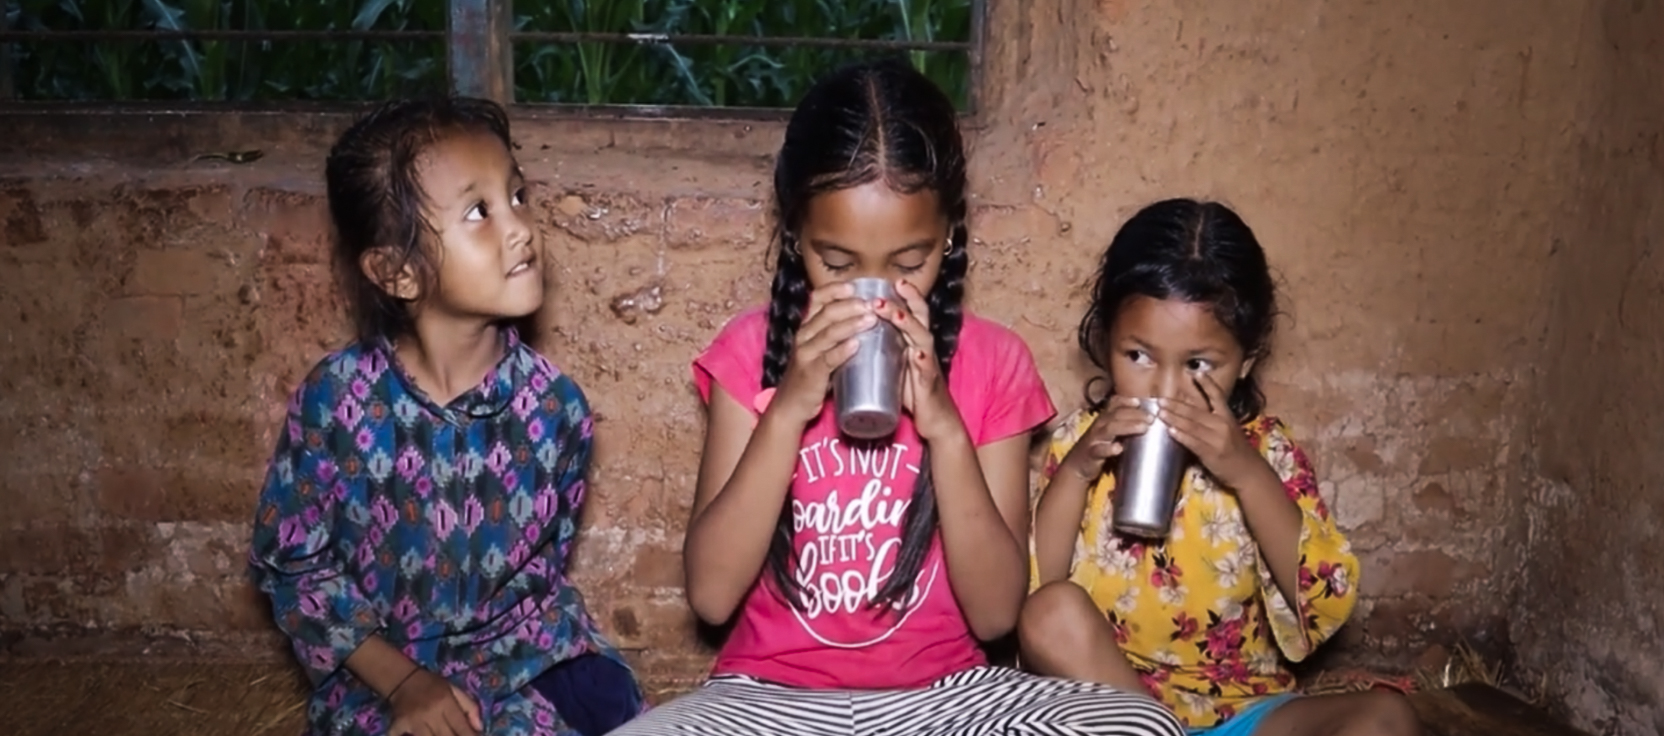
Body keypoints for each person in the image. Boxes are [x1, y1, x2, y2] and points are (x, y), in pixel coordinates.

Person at [609, 58, 1185, 736]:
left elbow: (997, 614)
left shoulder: (992, 362)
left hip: (948, 697)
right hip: (769, 697)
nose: (875, 293)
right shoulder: (751, 351)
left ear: (949, 237)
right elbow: (710, 595)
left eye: (910, 264)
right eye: (838, 263)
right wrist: (790, 403)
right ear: (795, 236)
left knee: (1140, 728)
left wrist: (943, 425)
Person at [248, 97, 646, 736]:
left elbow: (543, 578)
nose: (520, 227)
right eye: (478, 212)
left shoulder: (555, 408)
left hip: (526, 659)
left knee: (598, 704)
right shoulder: (335, 403)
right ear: (397, 271)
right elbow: (291, 564)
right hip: (381, 671)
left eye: (517, 196)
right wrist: (406, 683)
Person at [1021, 198, 1422, 736]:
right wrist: (1076, 472)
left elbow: (1323, 602)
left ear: (1245, 362)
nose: (1165, 389)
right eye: (1137, 356)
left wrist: (1246, 473)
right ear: (1105, 340)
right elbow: (1036, 591)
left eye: (1198, 365)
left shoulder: (1267, 452)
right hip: (1119, 713)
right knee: (1050, 614)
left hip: (1248, 715)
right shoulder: (1083, 442)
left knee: (1386, 718)